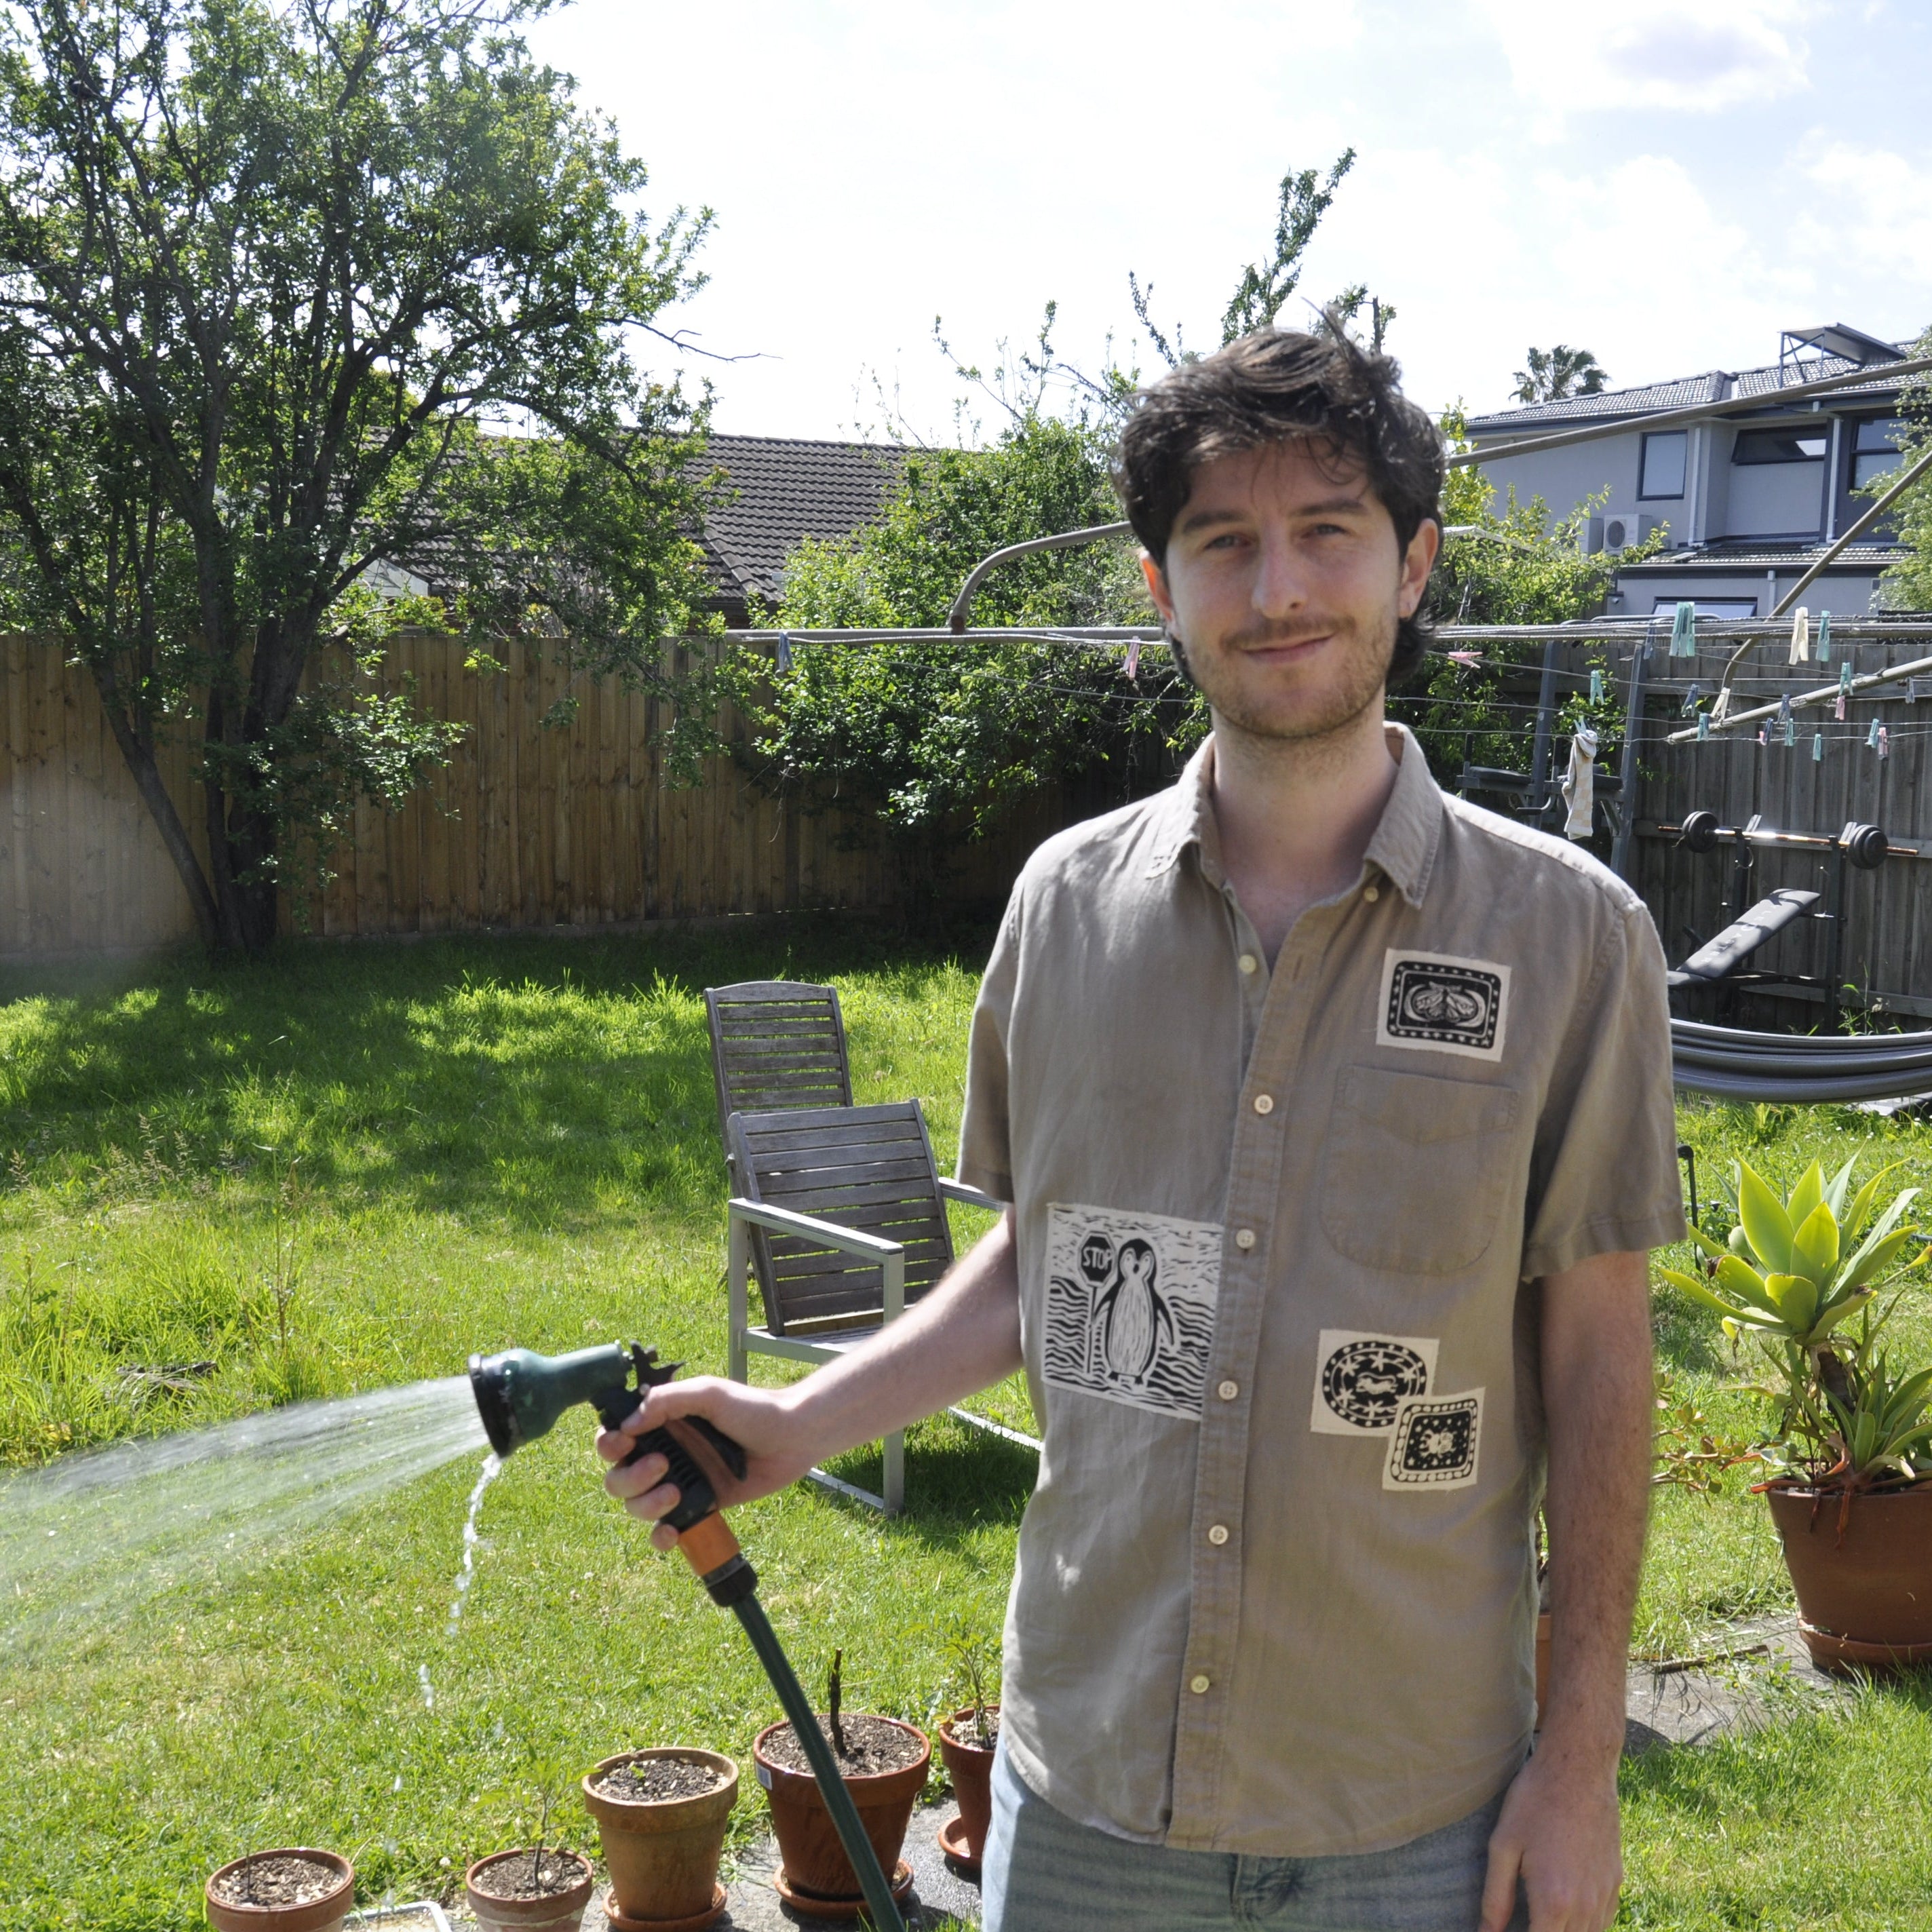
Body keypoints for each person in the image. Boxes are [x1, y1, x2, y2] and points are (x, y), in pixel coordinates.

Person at [600, 326, 1684, 1932]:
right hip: (1090, 1799)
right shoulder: (1063, 907)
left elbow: (1597, 1361)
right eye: (1219, 542)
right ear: (1156, 585)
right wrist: (796, 1421)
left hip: (1412, 1815)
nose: (1275, 589)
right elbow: (1046, 1253)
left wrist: (1578, 1754)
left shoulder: (1567, 938)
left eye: (1327, 530)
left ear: (1413, 564)